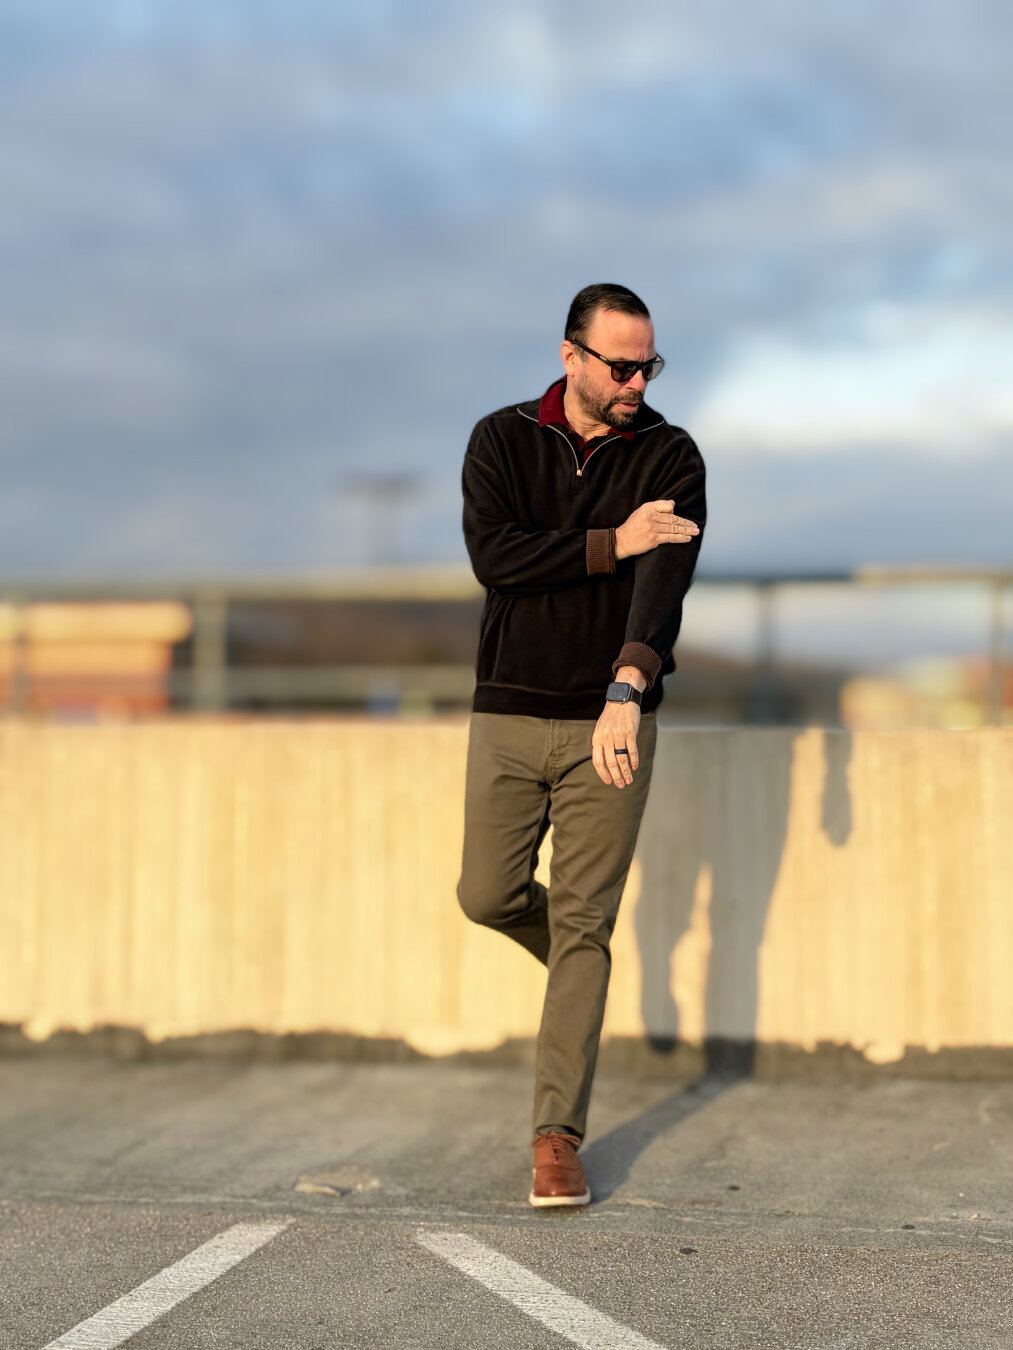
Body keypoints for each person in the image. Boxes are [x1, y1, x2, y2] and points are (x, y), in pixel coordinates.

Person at [457, 282, 706, 1206]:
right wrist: (611, 542)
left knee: (584, 923)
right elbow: (498, 559)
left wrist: (626, 688)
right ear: (572, 357)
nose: (638, 382)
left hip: (611, 718)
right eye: (622, 366)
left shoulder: (670, 453)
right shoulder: (501, 439)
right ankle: (578, 969)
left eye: (650, 366)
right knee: (486, 895)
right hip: (508, 710)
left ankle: (555, 1136)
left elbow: (662, 588)